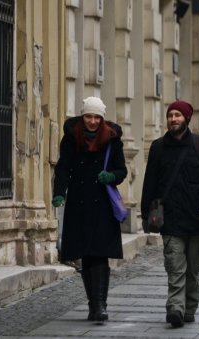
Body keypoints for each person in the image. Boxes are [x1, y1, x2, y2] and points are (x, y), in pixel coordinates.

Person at [141, 100, 199, 328]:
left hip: (198, 218)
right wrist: (146, 214)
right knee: (175, 265)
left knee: (193, 266)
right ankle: (175, 308)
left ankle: (189, 307)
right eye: (170, 115)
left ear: (187, 119)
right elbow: (149, 183)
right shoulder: (158, 147)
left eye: (178, 115)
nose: (173, 119)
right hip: (171, 219)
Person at [52, 96, 128, 322]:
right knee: (85, 254)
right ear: (82, 116)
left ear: (102, 118)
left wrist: (111, 176)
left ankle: (101, 305)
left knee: (100, 254)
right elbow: (64, 168)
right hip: (79, 202)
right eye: (88, 116)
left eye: (97, 117)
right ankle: (93, 304)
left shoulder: (113, 140)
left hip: (103, 204)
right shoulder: (71, 138)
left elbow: (121, 170)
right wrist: (59, 192)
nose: (92, 121)